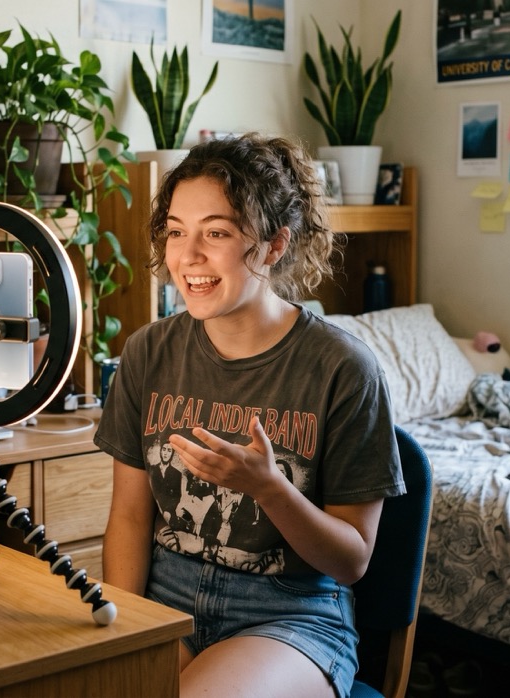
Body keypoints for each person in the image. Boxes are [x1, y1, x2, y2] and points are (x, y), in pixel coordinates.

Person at [94, 133, 405, 698]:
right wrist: (126, 631)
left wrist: (268, 489)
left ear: (272, 245)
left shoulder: (342, 367)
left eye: (216, 233)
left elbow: (352, 561)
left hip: (288, 615)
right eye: (176, 232)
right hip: (164, 599)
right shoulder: (147, 352)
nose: (188, 257)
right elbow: (132, 518)